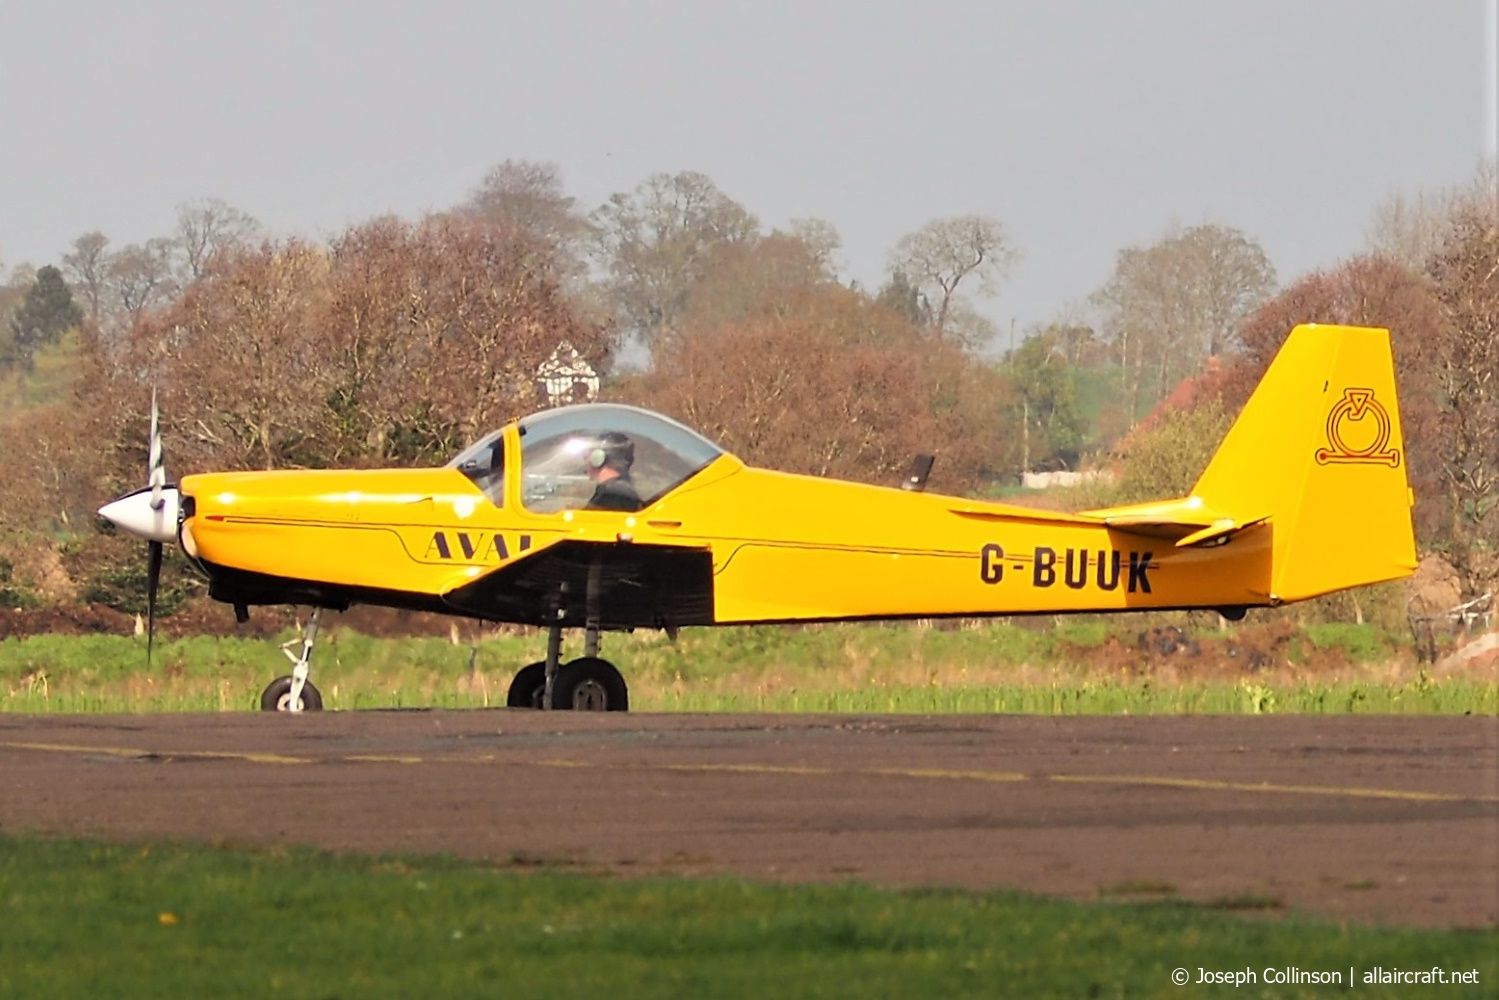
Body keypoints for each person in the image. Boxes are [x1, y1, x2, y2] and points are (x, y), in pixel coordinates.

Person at [584, 431, 642, 511]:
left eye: (588, 456)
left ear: (598, 457)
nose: (587, 460)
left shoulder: (611, 497)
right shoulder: (619, 492)